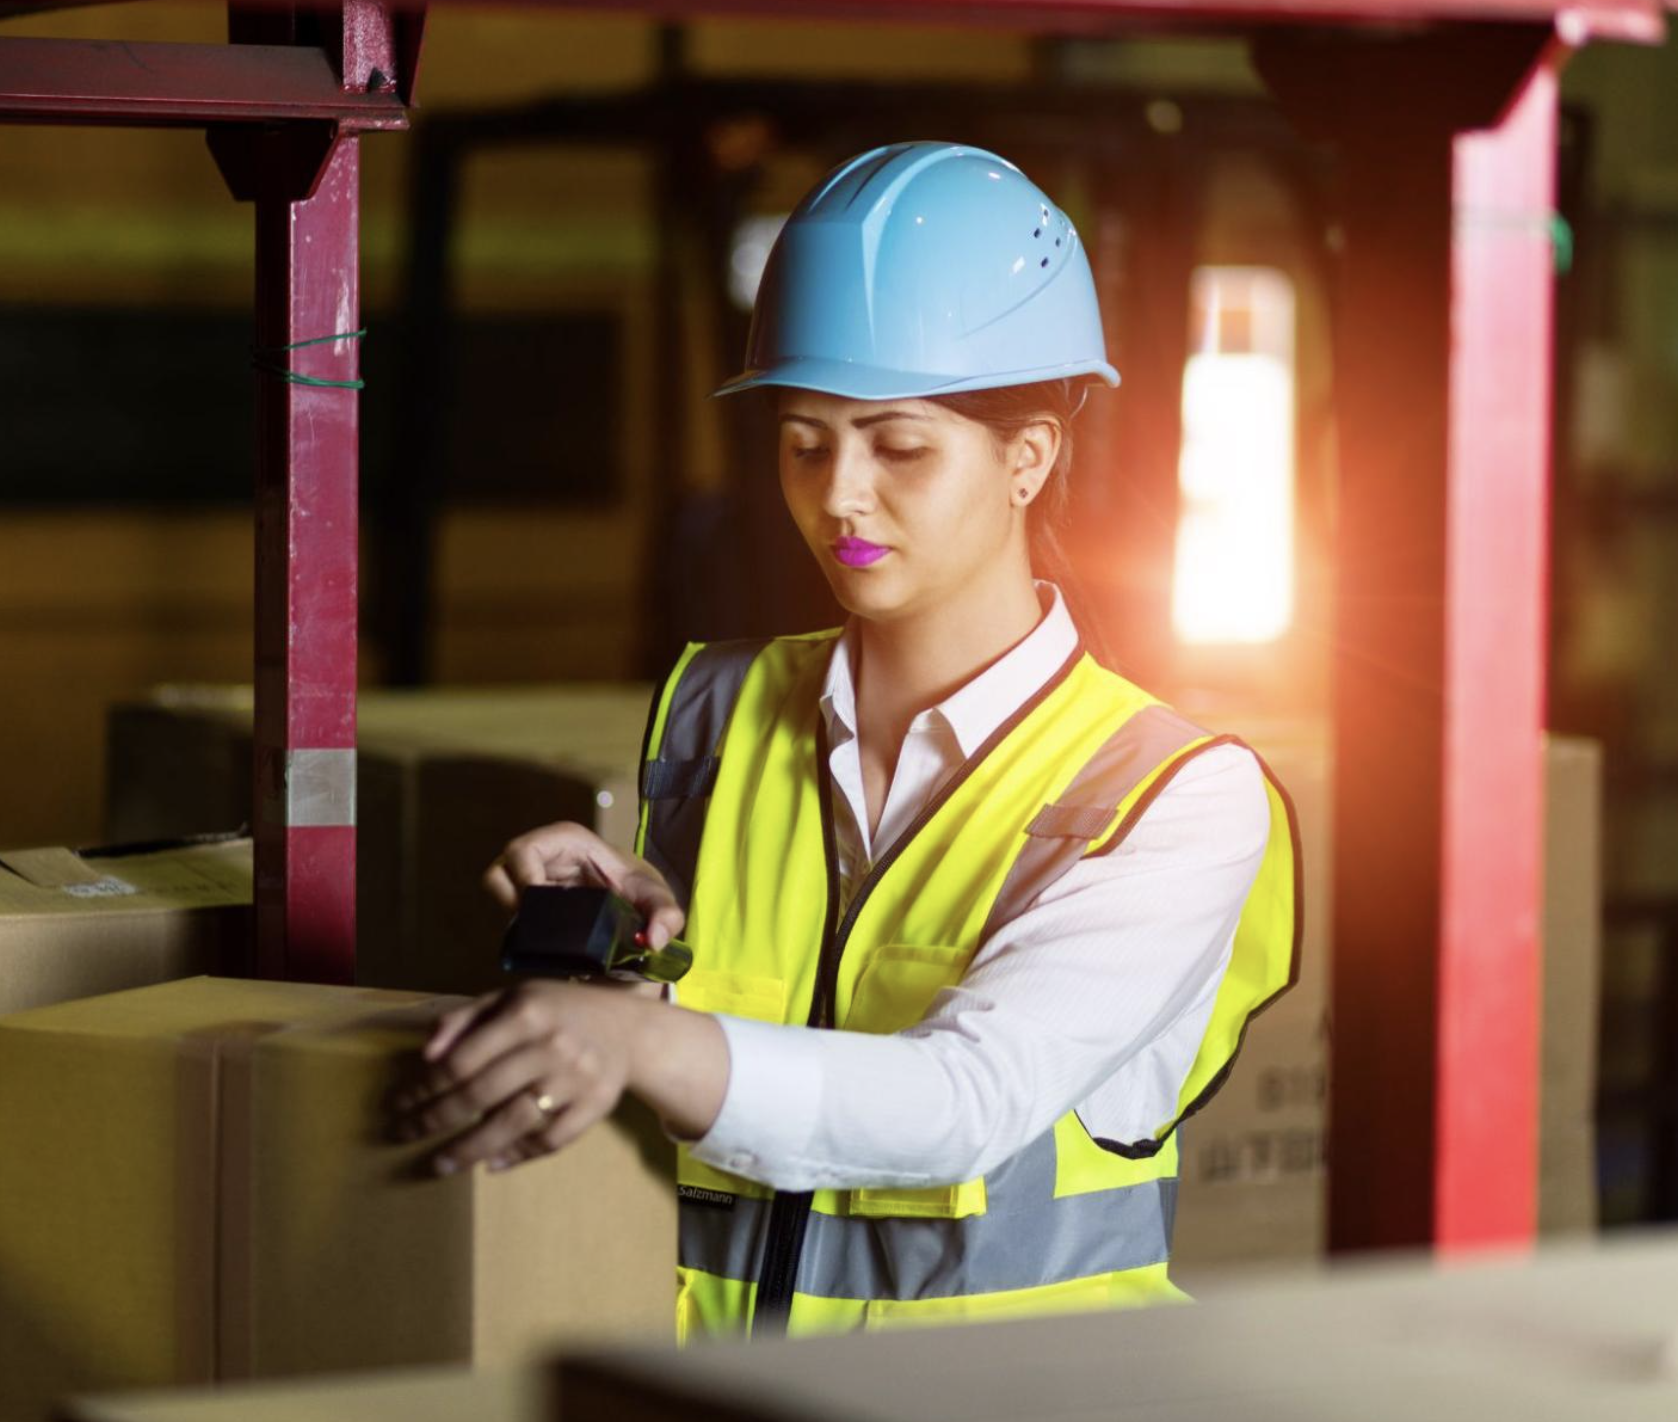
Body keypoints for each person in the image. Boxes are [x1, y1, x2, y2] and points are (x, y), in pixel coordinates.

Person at [384, 141, 1300, 1340]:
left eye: (897, 445)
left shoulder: (1172, 797)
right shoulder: (717, 710)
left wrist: (633, 1034)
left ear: (1027, 456)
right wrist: (615, 954)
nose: (838, 496)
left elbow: (967, 1099)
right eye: (803, 441)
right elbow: (729, 1060)